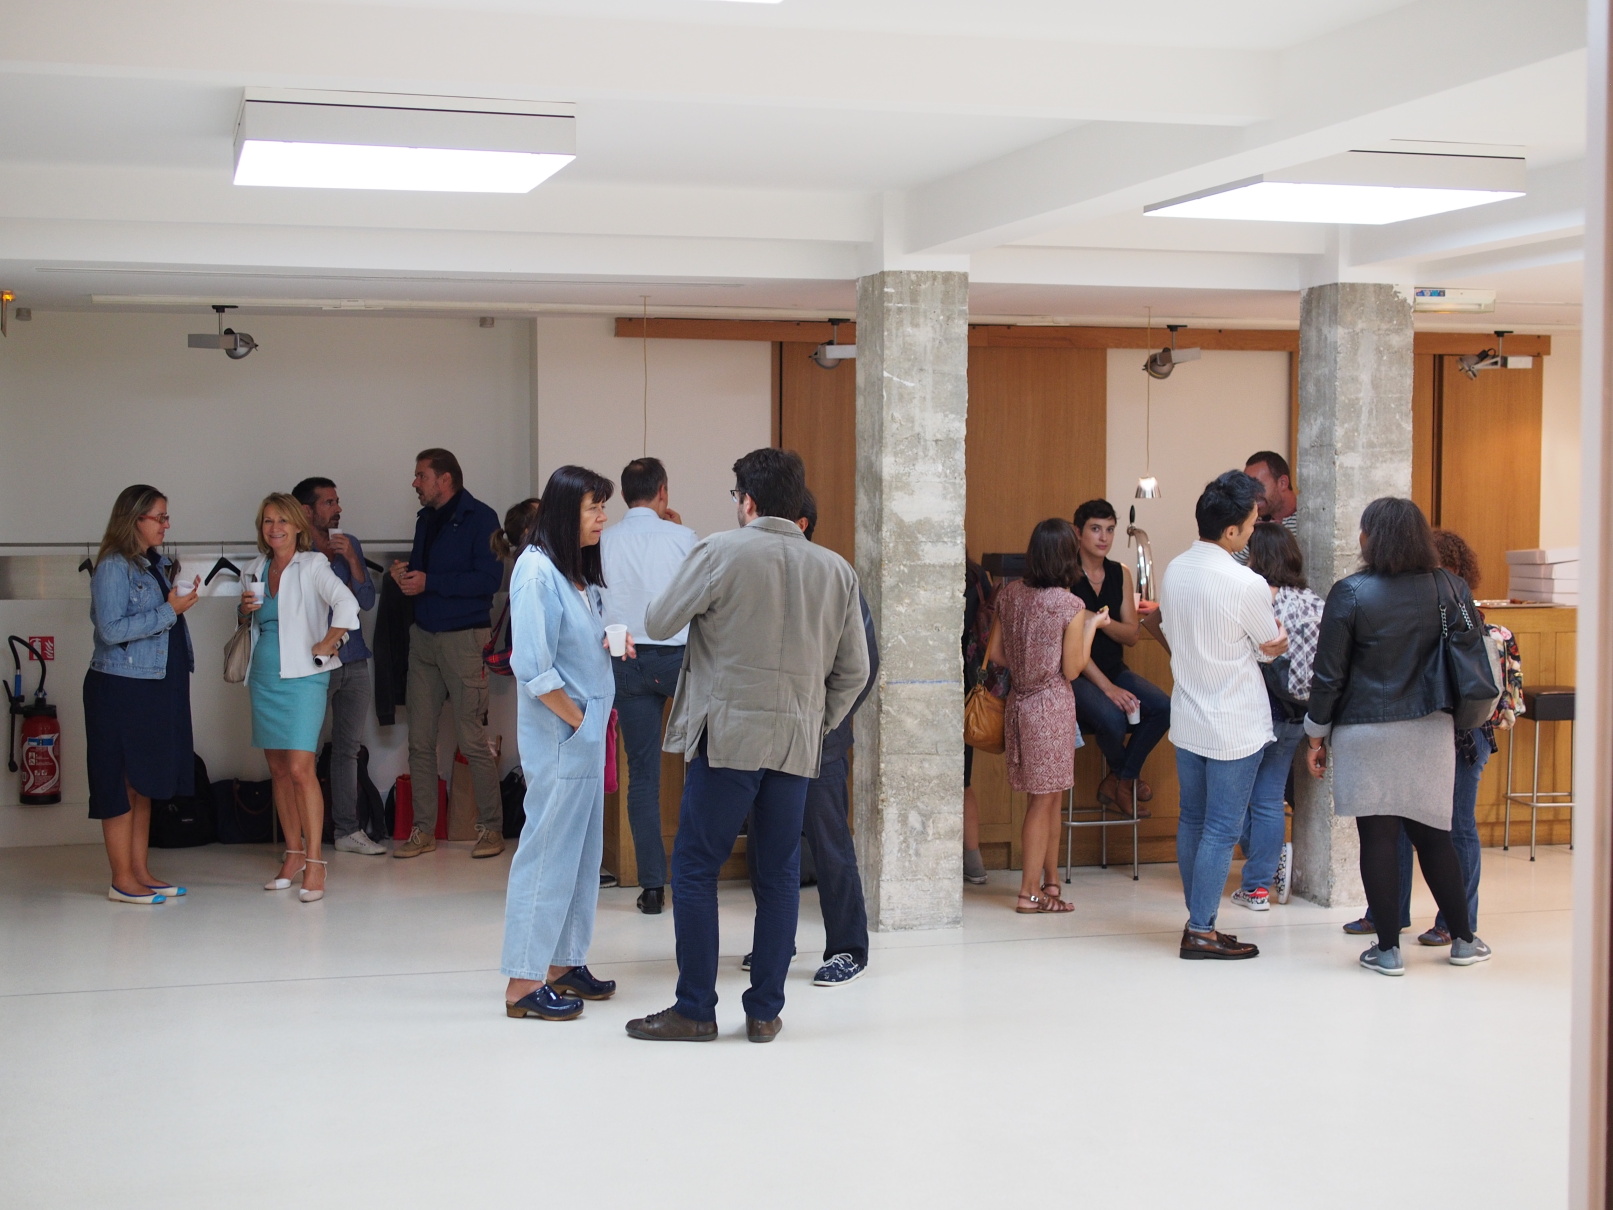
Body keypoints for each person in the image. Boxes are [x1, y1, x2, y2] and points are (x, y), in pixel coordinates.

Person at [625, 449, 869, 1044]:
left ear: (749, 500)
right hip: (794, 744)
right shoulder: (836, 570)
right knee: (779, 873)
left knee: (694, 866)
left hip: (728, 739)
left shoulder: (719, 551)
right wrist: (815, 722)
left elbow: (658, 621)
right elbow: (856, 671)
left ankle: (695, 1009)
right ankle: (764, 1011)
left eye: (737, 496)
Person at [1304, 498, 1492, 975]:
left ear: (1372, 538)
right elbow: (1472, 649)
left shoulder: (1350, 593)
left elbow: (1328, 676)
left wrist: (1315, 736)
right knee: (1435, 837)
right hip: (1430, 728)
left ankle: (1387, 950)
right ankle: (1464, 940)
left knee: (1378, 838)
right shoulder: (1450, 586)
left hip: (1365, 730)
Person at [502, 466, 628, 1022]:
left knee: (581, 854)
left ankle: (563, 961)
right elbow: (532, 665)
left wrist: (610, 644)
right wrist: (578, 721)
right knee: (548, 853)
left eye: (603, 506)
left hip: (585, 731)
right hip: (564, 734)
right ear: (564, 511)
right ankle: (522, 982)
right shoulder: (535, 572)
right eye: (593, 508)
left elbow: (573, 644)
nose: (603, 518)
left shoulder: (572, 571)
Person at [739, 491, 879, 985]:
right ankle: (776, 940)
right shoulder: (755, 572)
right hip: (765, 732)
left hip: (820, 734)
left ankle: (848, 948)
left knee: (828, 841)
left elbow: (863, 666)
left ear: (800, 524)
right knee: (765, 843)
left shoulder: (834, 576)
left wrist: (828, 723)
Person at [1343, 527, 1503, 946]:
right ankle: (1389, 915)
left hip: (1460, 733)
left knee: (1453, 828)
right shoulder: (1401, 604)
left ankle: (1457, 922)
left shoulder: (1462, 611)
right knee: (1393, 828)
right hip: (1420, 728)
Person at [1159, 471, 1287, 960]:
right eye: (1251, 524)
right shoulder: (1246, 582)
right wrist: (1276, 645)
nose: (1253, 531)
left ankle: (1199, 922)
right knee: (1221, 829)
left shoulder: (1175, 570)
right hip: (1234, 722)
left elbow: (1180, 634)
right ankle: (1201, 929)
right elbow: (1269, 644)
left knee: (1193, 820)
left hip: (1189, 715)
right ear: (1230, 530)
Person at [241, 494, 360, 903]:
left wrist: (329, 640)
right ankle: (292, 855)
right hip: (264, 677)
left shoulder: (313, 565)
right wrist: (244, 612)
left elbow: (347, 602)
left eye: (282, 521)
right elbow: (256, 623)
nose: (274, 528)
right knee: (277, 770)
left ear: (296, 526)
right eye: (267, 521)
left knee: (300, 769)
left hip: (304, 678)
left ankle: (314, 862)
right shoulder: (255, 568)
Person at [84, 485, 199, 905]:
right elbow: (111, 629)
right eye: (160, 517)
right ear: (135, 520)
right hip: (120, 689)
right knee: (120, 781)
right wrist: (171, 610)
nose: (166, 525)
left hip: (153, 688)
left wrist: (174, 602)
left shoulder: (153, 564)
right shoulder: (114, 566)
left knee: (142, 782)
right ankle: (121, 880)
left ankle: (140, 872)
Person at [987, 519, 1108, 914]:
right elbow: (1072, 669)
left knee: (1050, 797)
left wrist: (1028, 665)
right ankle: (1029, 893)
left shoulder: (1010, 594)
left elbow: (997, 654)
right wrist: (1092, 626)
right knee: (1044, 802)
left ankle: (1050, 882)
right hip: (1051, 706)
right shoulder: (1070, 605)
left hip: (1020, 703)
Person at [390, 448, 505, 860]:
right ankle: (423, 831)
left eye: (421, 475)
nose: (415, 483)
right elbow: (426, 576)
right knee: (419, 741)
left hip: (464, 640)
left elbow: (489, 580)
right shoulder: (425, 519)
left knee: (471, 739)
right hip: (424, 638)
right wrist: (405, 576)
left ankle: (491, 829)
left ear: (445, 479)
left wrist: (430, 582)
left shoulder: (482, 518)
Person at [599, 457, 698, 915]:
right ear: (663, 491)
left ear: (623, 495)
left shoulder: (604, 540)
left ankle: (653, 887)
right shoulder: (683, 538)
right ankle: (698, 874)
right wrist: (676, 529)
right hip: (678, 658)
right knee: (705, 762)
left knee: (643, 775)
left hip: (625, 658)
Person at [1233, 522, 1325, 910]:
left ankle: (1265, 867)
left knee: (1235, 798)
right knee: (1269, 798)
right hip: (1298, 714)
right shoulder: (1315, 602)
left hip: (1258, 711)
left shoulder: (1257, 601)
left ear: (1258, 557)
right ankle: (1259, 885)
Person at [292, 476, 383, 856]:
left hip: (355, 658)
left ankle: (348, 831)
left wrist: (352, 561)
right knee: (304, 751)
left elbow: (366, 602)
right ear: (306, 510)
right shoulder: (295, 550)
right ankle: (301, 837)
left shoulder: (350, 544)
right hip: (314, 662)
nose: (338, 508)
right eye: (329, 502)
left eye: (337, 501)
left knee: (348, 749)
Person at [1069, 499, 1171, 818]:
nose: (1104, 537)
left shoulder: (1120, 573)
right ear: (1078, 532)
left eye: (1110, 529)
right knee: (1113, 719)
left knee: (1164, 707)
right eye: (1095, 529)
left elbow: (1132, 634)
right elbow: (1070, 645)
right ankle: (1127, 780)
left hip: (1115, 668)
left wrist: (1098, 620)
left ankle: (1120, 780)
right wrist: (1107, 688)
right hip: (1077, 674)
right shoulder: (1065, 574)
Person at [961, 560, 994, 885]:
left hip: (925, 682)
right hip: (969, 686)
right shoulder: (975, 574)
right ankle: (974, 862)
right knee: (963, 780)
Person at [1234, 451, 1298, 565]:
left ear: (1283, 483)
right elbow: (1231, 565)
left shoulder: (1309, 521)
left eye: (1257, 486)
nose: (1251, 494)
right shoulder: (1252, 520)